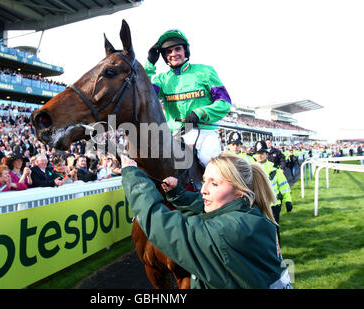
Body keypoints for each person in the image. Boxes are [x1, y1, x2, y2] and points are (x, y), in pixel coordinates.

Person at [120, 151, 292, 289]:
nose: (203, 190)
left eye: (214, 183)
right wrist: (178, 194)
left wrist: (133, 176)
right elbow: (210, 208)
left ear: (240, 192)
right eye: (204, 181)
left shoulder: (225, 232)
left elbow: (160, 224)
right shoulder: (252, 213)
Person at [146, 29, 232, 167]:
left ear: (185, 51)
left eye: (177, 49)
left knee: (208, 162)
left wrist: (199, 113)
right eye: (168, 51)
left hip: (205, 133)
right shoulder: (161, 80)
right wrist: (149, 65)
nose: (173, 54)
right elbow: (143, 94)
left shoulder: (205, 71)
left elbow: (224, 103)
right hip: (177, 134)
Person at [254, 141, 293, 245]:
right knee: (259, 233)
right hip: (257, 206)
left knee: (274, 231)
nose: (260, 155)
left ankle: (277, 255)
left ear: (267, 154)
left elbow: (284, 186)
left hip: (273, 206)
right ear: (255, 155)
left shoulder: (275, 169)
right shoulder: (250, 170)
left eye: (262, 153)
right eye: (258, 153)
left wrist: (288, 200)